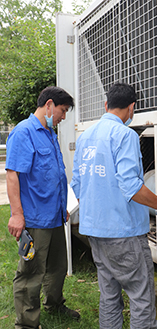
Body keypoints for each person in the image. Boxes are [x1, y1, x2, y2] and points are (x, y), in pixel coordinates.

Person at [70, 82, 157, 329]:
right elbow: (131, 186)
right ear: (132, 108)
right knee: (141, 298)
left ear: (106, 104)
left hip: (95, 232)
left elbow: (77, 185)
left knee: (109, 296)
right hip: (123, 234)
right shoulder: (125, 135)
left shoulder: (86, 136)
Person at [6, 86, 80, 329]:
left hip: (55, 216)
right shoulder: (23, 132)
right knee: (31, 273)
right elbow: (13, 175)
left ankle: (54, 304)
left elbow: (54, 175)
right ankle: (26, 323)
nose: (63, 116)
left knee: (58, 266)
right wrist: (17, 215)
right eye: (62, 110)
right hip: (35, 219)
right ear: (48, 105)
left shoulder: (48, 133)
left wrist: (62, 207)